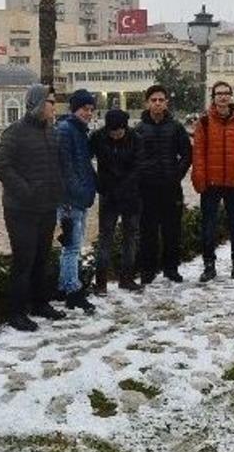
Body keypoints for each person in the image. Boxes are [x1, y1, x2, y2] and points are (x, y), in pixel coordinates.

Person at [0, 84, 65, 331]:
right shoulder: (14, 132)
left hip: (47, 207)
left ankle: (39, 303)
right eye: (50, 102)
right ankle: (16, 313)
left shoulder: (52, 132)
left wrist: (58, 195)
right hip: (20, 210)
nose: (54, 107)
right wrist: (25, 190)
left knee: (42, 259)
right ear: (37, 104)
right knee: (24, 260)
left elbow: (56, 168)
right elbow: (1, 166)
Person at [192, 81, 234, 282]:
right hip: (210, 183)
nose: (223, 97)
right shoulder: (203, 122)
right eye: (219, 94)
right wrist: (199, 178)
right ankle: (209, 266)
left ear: (231, 96)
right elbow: (198, 153)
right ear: (213, 97)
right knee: (208, 226)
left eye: (226, 93)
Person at [135, 84, 191, 285]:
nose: (157, 103)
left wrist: (176, 174)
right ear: (147, 103)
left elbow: (187, 154)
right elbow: (133, 158)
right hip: (146, 189)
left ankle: (171, 269)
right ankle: (148, 270)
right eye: (153, 100)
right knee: (147, 231)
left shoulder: (176, 128)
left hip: (170, 187)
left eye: (161, 100)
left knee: (172, 231)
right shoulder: (139, 130)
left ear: (167, 103)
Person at [89, 108, 143, 294]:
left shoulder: (136, 139)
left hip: (131, 196)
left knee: (130, 238)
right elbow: (85, 161)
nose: (116, 135)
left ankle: (126, 279)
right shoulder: (97, 137)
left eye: (119, 131)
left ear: (125, 127)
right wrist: (98, 183)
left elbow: (139, 167)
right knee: (105, 238)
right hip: (108, 196)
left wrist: (125, 186)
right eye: (112, 132)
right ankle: (101, 282)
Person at [55, 88, 98, 316]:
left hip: (79, 198)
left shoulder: (79, 131)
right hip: (70, 201)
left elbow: (83, 165)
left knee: (71, 247)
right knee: (72, 247)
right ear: (75, 109)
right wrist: (79, 193)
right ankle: (73, 292)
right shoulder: (65, 131)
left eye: (91, 109)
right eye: (85, 109)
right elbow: (65, 170)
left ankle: (64, 286)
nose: (88, 113)